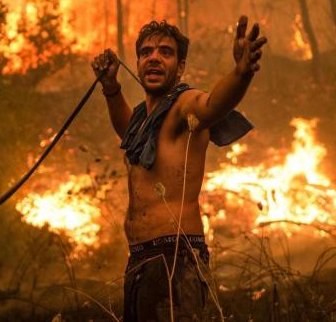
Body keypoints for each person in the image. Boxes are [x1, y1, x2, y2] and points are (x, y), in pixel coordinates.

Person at [92, 16, 266, 321]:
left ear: (180, 66)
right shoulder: (142, 121)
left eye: (165, 52)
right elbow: (126, 132)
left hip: (176, 258)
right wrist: (111, 88)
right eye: (146, 52)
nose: (154, 57)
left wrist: (241, 73)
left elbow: (212, 105)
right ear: (138, 62)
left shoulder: (183, 106)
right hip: (140, 259)